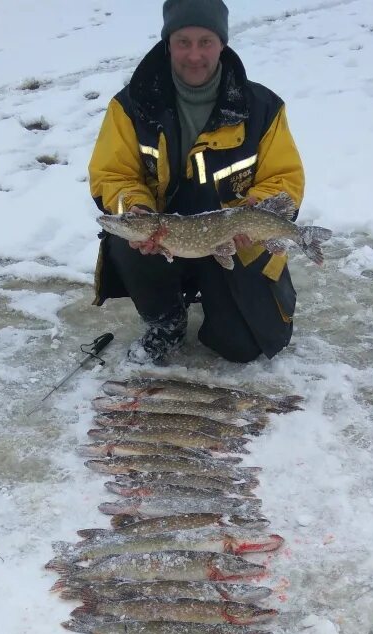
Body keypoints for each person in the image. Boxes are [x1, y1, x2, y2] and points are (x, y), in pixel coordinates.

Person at [88, 0, 306, 365]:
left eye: (205, 41)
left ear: (222, 43)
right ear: (167, 43)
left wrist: (253, 212)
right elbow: (113, 174)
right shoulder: (131, 105)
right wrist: (135, 209)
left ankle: (219, 301)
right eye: (183, 41)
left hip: (231, 242)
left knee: (242, 349)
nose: (194, 55)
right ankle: (166, 322)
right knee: (126, 237)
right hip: (164, 246)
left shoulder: (262, 107)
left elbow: (283, 177)